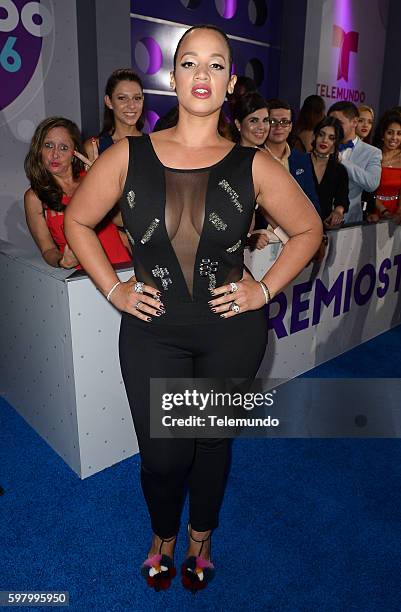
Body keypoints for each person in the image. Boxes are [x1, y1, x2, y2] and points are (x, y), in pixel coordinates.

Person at [64, 24, 322, 593]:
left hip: (230, 331)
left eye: (214, 64)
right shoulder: (128, 155)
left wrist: (265, 288)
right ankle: (163, 533)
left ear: (230, 82)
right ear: (173, 76)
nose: (201, 74)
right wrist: (114, 289)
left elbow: (308, 229)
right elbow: (77, 221)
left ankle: (200, 535)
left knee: (210, 442)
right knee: (162, 457)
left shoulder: (252, 164)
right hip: (152, 331)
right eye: (189, 63)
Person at [24, 117, 130, 269]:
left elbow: (121, 221)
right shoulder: (34, 197)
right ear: (39, 149)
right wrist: (62, 261)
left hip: (122, 269)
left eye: (63, 148)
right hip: (81, 280)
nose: (55, 154)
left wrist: (103, 177)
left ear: (74, 152)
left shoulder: (91, 179)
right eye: (48, 145)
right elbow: (48, 249)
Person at [327, 101, 382, 224]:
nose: (332, 126)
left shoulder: (372, 152)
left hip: (350, 220)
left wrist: (342, 161)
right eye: (330, 121)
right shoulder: (323, 145)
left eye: (339, 123)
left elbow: (372, 183)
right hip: (318, 217)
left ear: (354, 122)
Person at [264, 98, 321, 213]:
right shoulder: (256, 157)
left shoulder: (302, 159)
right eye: (273, 122)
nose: (279, 127)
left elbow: (312, 202)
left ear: (290, 127)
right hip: (264, 229)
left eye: (284, 122)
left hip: (297, 227)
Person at [308, 117, 349, 227]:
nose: (324, 140)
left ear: (336, 143)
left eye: (331, 138)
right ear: (315, 136)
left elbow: (342, 200)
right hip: (294, 225)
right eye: (321, 135)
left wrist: (338, 212)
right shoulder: (299, 161)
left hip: (322, 228)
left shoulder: (340, 171)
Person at [367, 112, 401, 223]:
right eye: (390, 133)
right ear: (382, 134)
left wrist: (399, 213)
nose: (394, 138)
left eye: (399, 134)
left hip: (397, 214)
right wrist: (382, 210)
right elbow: (367, 190)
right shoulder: (372, 154)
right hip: (372, 210)